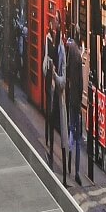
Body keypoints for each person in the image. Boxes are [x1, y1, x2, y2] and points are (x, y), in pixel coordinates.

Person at [63, 28, 86, 185]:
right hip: (75, 100)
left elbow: (67, 71)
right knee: (77, 137)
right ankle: (76, 172)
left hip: (70, 97)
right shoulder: (78, 54)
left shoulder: (71, 50)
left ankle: (67, 161)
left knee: (71, 130)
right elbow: (80, 82)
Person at [42, 24, 63, 164]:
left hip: (49, 82)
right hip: (51, 82)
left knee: (49, 111)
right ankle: (49, 142)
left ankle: (47, 139)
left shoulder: (48, 42)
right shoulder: (51, 45)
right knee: (50, 111)